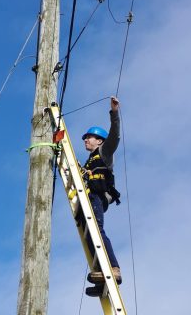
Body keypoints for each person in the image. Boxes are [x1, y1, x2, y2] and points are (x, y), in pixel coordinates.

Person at [81, 96, 122, 288]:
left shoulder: (104, 152)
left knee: (97, 230)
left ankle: (113, 268)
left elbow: (115, 135)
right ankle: (100, 275)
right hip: (89, 196)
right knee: (89, 234)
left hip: (98, 196)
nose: (86, 140)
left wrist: (114, 113)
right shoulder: (88, 162)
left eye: (88, 137)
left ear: (99, 140)